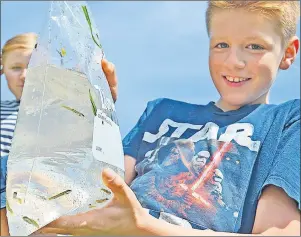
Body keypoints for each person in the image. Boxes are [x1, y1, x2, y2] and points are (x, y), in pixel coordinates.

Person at [36, 1, 301, 235]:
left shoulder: (286, 122)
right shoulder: (161, 112)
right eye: (221, 44)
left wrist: (144, 227)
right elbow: (102, 191)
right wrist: (93, 111)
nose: (234, 61)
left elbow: (277, 233)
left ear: (288, 53)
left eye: (254, 46)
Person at [0, 32, 119, 236]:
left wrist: (98, 102)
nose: (24, 75)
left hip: (34, 190)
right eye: (15, 68)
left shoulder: (60, 112)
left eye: (33, 67)